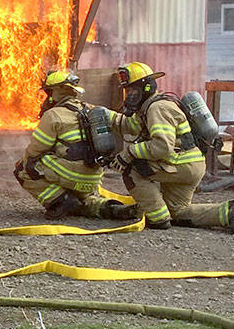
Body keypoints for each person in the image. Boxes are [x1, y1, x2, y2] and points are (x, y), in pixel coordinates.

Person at [114, 61, 234, 233]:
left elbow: (162, 147)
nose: (129, 96)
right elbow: (130, 125)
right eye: (127, 91)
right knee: (179, 211)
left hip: (180, 165)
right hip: (190, 163)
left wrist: (128, 153)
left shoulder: (157, 108)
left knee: (132, 169)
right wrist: (99, 113)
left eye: (133, 91)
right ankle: (232, 212)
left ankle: (158, 219)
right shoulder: (149, 108)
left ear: (147, 88)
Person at [14, 70, 140, 220]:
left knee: (23, 169)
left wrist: (29, 162)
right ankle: (110, 209)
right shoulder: (94, 109)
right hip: (93, 178)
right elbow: (130, 125)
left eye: (49, 91)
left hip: (70, 175)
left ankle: (60, 200)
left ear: (57, 90)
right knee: (84, 200)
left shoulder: (53, 115)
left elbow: (35, 151)